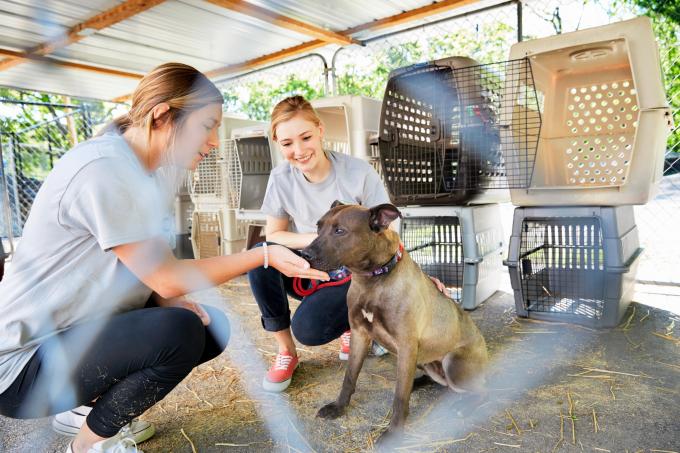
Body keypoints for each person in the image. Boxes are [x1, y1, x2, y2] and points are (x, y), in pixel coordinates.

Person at [0, 64, 327, 453]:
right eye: (207, 125)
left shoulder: (148, 171)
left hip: (74, 336)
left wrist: (164, 298)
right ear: (162, 116)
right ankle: (88, 446)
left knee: (205, 326)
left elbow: (144, 266)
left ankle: (82, 412)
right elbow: (168, 276)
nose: (215, 141)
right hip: (24, 364)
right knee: (178, 333)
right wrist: (263, 254)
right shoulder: (104, 168)